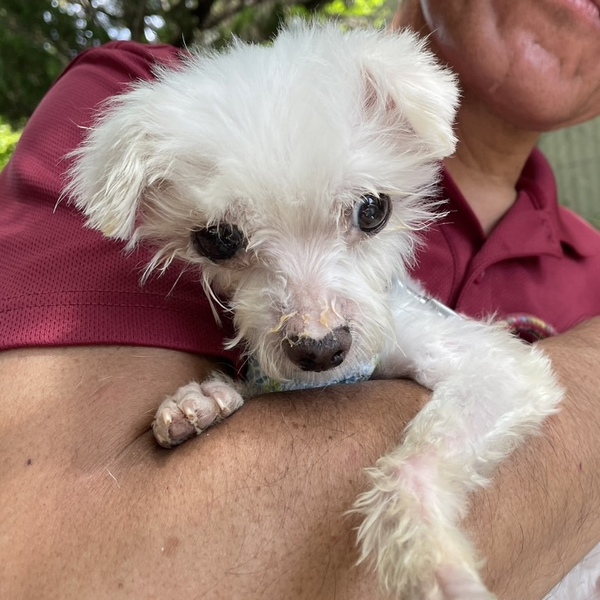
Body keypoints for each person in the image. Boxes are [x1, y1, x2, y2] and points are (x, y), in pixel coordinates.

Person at [1, 0, 599, 598]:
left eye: (367, 213)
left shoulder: (591, 258)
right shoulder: (134, 95)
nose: (315, 332)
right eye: (224, 242)